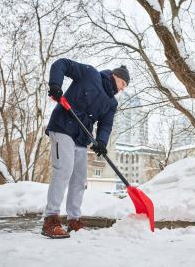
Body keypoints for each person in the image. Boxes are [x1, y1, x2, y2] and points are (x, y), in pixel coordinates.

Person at [41, 58, 130, 238]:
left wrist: (102, 142)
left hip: (81, 137)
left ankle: (74, 220)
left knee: (80, 180)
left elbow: (105, 125)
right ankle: (50, 219)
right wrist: (55, 85)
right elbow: (61, 64)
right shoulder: (90, 73)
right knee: (63, 169)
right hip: (63, 126)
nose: (122, 89)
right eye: (123, 83)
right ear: (115, 76)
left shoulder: (112, 103)